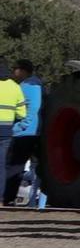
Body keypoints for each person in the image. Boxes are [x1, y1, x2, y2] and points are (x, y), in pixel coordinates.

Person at [1, 58, 34, 205]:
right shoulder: (15, 87)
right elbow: (22, 113)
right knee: (1, 165)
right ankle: (1, 198)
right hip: (7, 131)